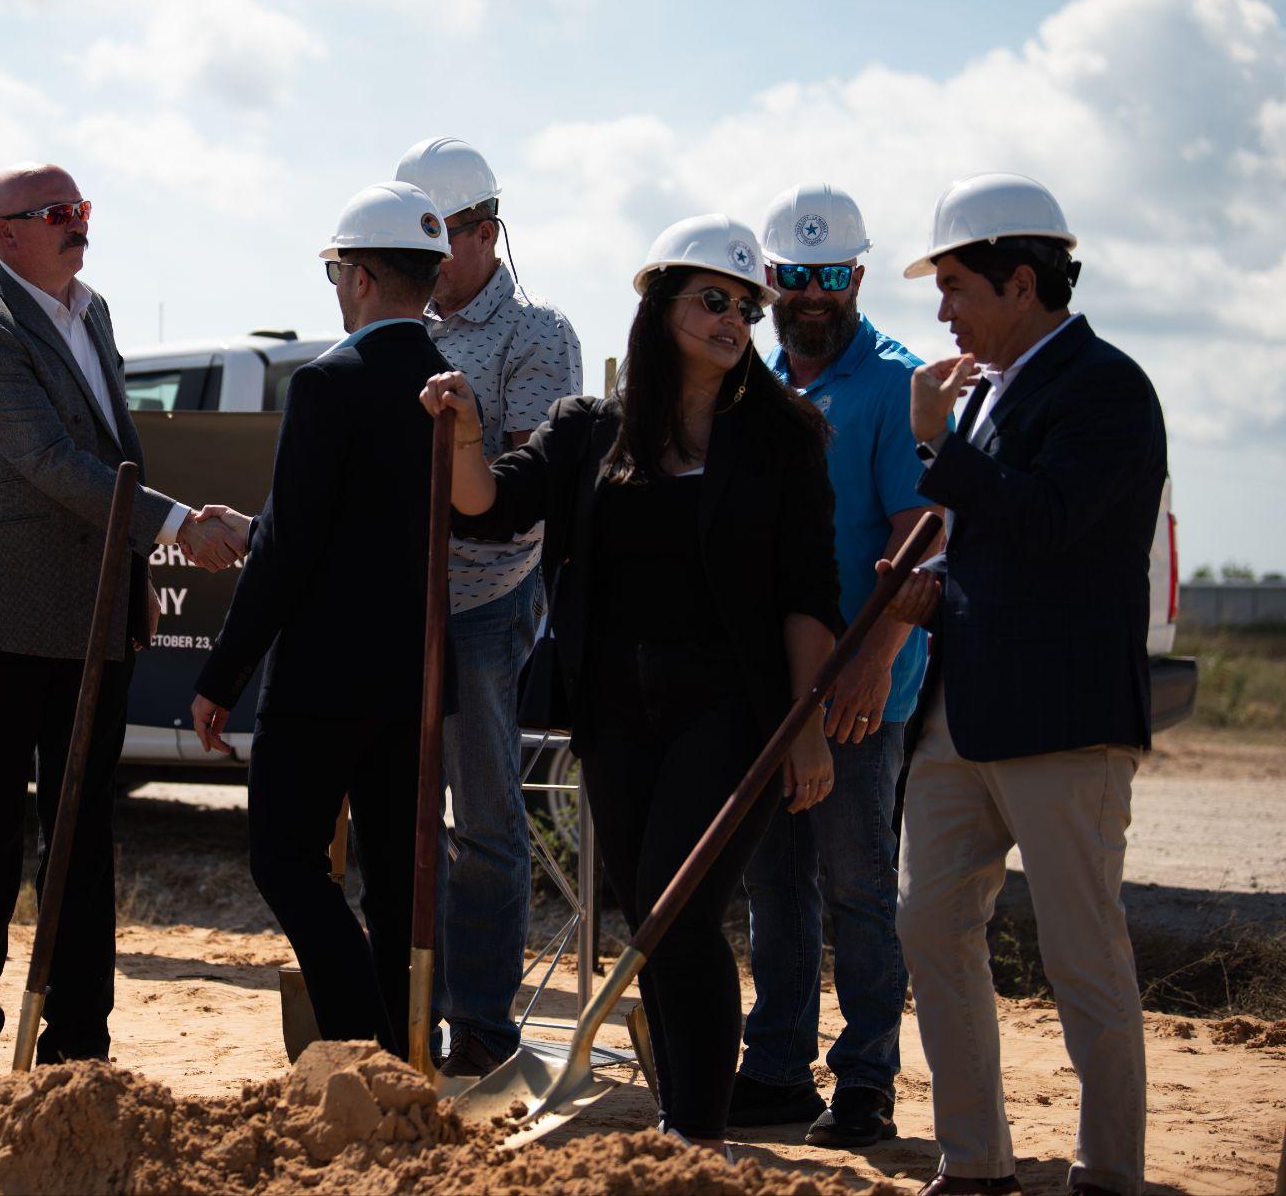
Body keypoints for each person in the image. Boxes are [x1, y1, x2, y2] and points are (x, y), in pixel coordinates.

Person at [422, 214, 842, 1150]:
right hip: (614, 717)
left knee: (677, 909)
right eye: (714, 299)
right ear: (659, 305)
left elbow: (810, 592)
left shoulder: (784, 439)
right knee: (649, 915)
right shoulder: (588, 431)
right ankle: (681, 1121)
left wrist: (807, 725)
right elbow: (490, 506)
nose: (733, 320)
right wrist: (467, 435)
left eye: (746, 308)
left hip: (732, 714)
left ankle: (695, 1129)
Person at [0, 162, 246, 1087]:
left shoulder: (90, 308)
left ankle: (79, 1046)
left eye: (82, 208)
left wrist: (152, 548)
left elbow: (111, 449)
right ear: (4, 232)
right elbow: (53, 462)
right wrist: (178, 525)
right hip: (4, 620)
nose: (77, 224)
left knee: (83, 837)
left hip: (93, 615)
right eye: (56, 213)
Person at [885, 174, 1161, 1196]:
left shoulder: (1106, 387)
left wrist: (935, 442)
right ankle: (974, 1162)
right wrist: (937, 585)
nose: (942, 312)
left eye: (954, 286)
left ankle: (1108, 1172)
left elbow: (1049, 521)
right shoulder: (996, 389)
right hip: (964, 711)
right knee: (927, 920)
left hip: (1061, 719)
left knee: (1081, 950)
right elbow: (1004, 541)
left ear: (1019, 281)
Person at [189, 180, 457, 1058]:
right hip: (415, 676)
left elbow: (293, 549)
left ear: (364, 277)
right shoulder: (450, 388)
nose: (338, 287)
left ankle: (360, 1044)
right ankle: (403, 1057)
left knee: (285, 858)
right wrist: (261, 527)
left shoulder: (328, 382)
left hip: (323, 679)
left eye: (338, 271)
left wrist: (222, 674)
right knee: (398, 884)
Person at [734, 185, 937, 1146]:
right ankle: (778, 1069)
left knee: (857, 887)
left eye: (830, 274)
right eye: (795, 275)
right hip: (773, 691)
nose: (812, 293)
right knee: (775, 888)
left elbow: (921, 533)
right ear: (770, 278)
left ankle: (865, 1080)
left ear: (856, 274)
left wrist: (873, 662)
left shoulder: (895, 382)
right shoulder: (752, 381)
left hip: (861, 689)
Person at [393, 137, 583, 1077]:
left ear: (486, 232)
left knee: (484, 819)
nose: (427, 262)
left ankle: (479, 1024)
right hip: (401, 599)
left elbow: (516, 485)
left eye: (439, 240)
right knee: (402, 816)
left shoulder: (537, 333)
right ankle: (411, 1012)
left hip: (484, 599)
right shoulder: (399, 326)